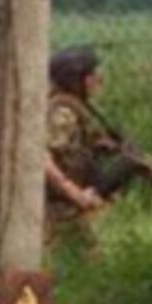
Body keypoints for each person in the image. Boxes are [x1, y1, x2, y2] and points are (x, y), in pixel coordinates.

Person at [45, 45, 115, 254]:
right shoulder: (63, 114)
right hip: (53, 208)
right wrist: (75, 194)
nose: (98, 80)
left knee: (89, 260)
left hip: (67, 208)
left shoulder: (77, 108)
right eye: (92, 75)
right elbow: (41, 158)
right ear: (76, 81)